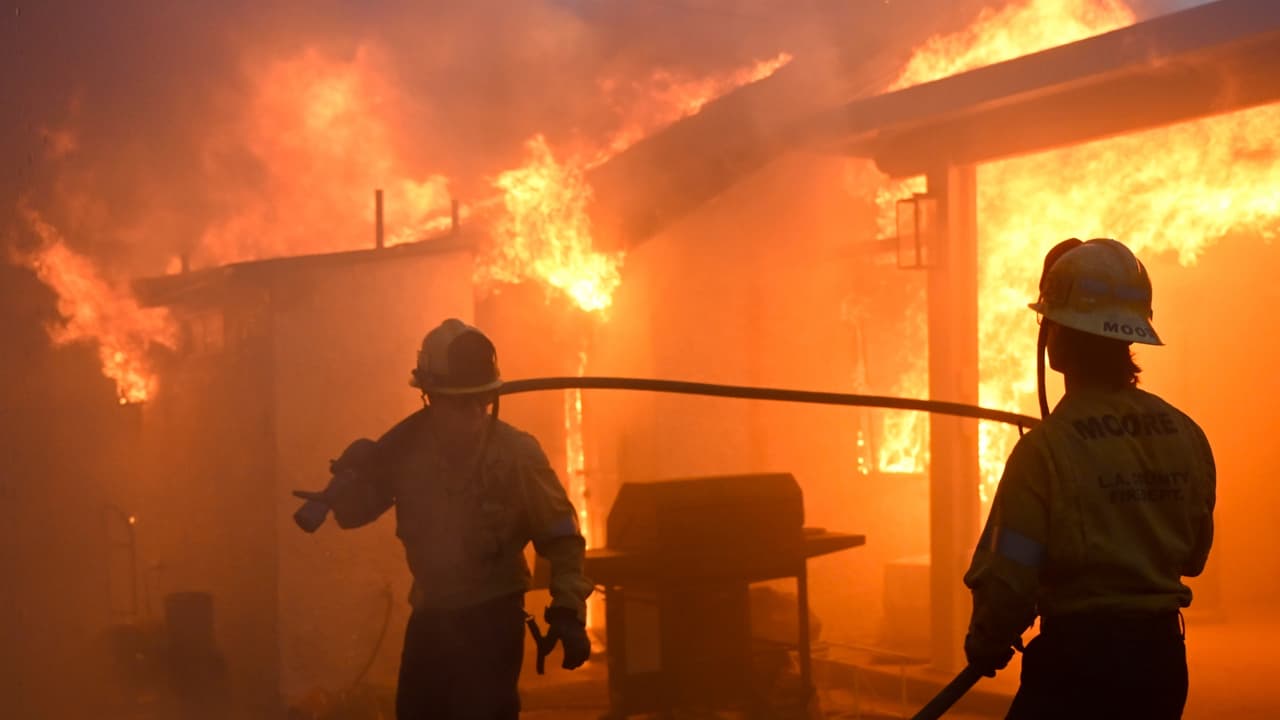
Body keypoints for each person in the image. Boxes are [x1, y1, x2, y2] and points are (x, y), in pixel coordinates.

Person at [962, 239, 1216, 719]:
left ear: (1055, 335)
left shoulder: (1045, 451)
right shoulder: (1186, 435)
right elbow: (1195, 555)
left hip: (1078, 670)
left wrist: (987, 641)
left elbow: (1009, 574)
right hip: (1160, 669)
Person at [318, 318, 593, 720]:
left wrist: (568, 609)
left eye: (479, 403)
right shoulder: (404, 451)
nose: (472, 415)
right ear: (430, 398)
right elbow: (354, 514)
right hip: (432, 616)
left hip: (493, 618)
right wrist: (349, 480)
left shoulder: (517, 455)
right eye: (459, 404)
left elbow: (561, 535)